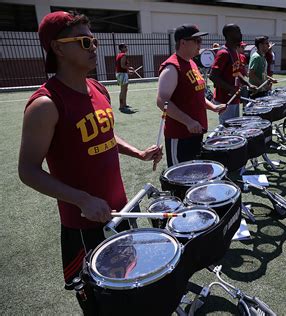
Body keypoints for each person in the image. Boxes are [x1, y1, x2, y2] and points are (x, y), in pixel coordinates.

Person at [17, 11, 163, 308]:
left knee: (130, 290)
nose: (94, 47)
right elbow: (28, 171)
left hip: (120, 212)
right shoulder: (45, 104)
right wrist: (82, 199)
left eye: (94, 40)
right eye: (85, 41)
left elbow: (105, 135)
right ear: (58, 48)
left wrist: (137, 151)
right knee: (99, 303)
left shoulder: (97, 88)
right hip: (83, 224)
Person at [157, 24, 226, 167]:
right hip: (180, 136)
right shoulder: (171, 67)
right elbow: (161, 101)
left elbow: (196, 95)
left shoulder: (192, 63)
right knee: (180, 178)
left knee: (194, 175)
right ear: (183, 42)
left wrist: (213, 107)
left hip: (195, 132)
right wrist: (188, 121)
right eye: (197, 41)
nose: (200, 44)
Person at [210, 24, 248, 124]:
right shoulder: (223, 53)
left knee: (234, 127)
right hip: (225, 99)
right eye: (238, 32)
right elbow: (213, 76)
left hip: (234, 98)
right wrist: (231, 88)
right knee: (227, 130)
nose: (241, 34)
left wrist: (246, 83)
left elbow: (236, 72)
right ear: (229, 35)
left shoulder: (235, 52)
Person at [115, 42, 135, 113]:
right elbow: (123, 65)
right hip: (122, 74)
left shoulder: (119, 55)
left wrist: (128, 71)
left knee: (125, 89)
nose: (127, 48)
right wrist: (130, 68)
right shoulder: (123, 55)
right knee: (123, 90)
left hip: (121, 73)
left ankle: (124, 104)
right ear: (122, 48)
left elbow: (122, 67)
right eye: (125, 47)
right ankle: (121, 106)